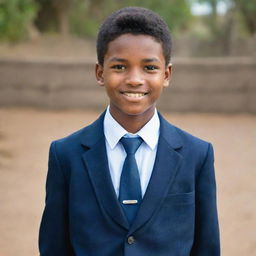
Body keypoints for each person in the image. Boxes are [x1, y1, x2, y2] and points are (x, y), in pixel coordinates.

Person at [39, 6, 220, 256]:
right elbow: (54, 247)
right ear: (100, 73)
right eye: (120, 67)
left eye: (149, 68)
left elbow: (207, 247)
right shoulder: (65, 154)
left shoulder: (197, 155)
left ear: (166, 74)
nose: (135, 79)